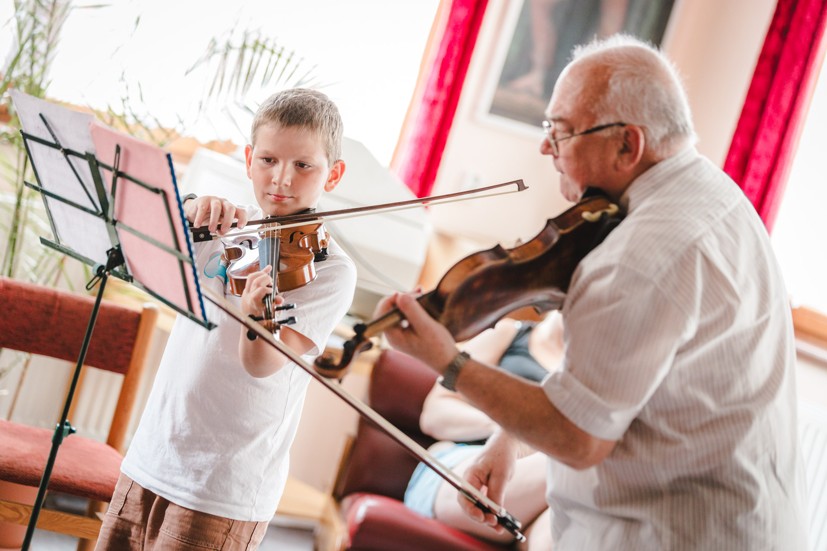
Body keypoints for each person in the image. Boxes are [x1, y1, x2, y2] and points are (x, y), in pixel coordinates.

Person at [377, 35, 808, 550]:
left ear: (628, 144)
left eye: (560, 131)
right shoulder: (715, 197)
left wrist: (448, 361)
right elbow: (623, 375)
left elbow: (576, 439)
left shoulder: (640, 254)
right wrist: (506, 437)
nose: (545, 147)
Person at [95, 88, 357, 550]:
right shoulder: (223, 229)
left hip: (222, 486)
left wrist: (256, 318)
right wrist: (187, 208)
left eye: (304, 165)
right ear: (249, 158)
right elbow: (129, 251)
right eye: (269, 160)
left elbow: (260, 364)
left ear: (332, 174)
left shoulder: (330, 270)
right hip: (152, 455)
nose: (282, 179)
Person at [404, 314, 563, 549]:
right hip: (463, 463)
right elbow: (434, 414)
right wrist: (505, 430)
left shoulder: (596, 381)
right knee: (573, 469)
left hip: (542, 501)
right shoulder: (508, 334)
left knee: (563, 522)